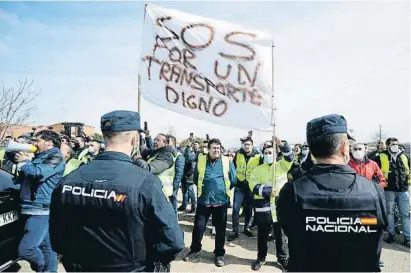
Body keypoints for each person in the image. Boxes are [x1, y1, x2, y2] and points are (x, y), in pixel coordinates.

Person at [49, 110, 184, 272]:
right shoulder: (145, 182)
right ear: (134, 139)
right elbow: (173, 241)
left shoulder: (69, 180)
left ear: (105, 137)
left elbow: (57, 238)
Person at [277, 114, 387, 272]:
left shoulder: (292, 191)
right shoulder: (374, 191)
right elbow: (380, 228)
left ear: (312, 150)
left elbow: (287, 227)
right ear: (344, 147)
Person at [14, 130, 65, 272]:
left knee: (26, 249)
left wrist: (25, 162)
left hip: (40, 208)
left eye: (38, 140)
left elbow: (38, 174)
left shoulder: (56, 156)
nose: (34, 143)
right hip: (33, 206)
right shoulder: (40, 156)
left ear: (49, 143)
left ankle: (42, 268)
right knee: (47, 247)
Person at [183, 138, 237, 267]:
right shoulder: (201, 160)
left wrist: (222, 190)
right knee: (198, 228)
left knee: (220, 230)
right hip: (204, 200)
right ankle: (195, 249)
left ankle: (219, 254)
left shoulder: (226, 161)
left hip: (221, 201)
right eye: (214, 148)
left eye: (218, 148)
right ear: (209, 149)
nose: (216, 150)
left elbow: (233, 179)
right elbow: (196, 178)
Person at [248, 137, 294, 271]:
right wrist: (268, 191)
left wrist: (281, 145)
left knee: (280, 237)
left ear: (275, 154)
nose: (268, 155)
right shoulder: (257, 170)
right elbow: (253, 185)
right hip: (264, 209)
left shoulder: (282, 165)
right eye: (266, 153)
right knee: (262, 236)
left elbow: (290, 157)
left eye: (271, 153)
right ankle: (261, 258)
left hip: (279, 209)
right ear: (263, 154)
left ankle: (282, 258)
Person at [374, 137, 410, 247]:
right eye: (393, 144)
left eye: (397, 144)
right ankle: (391, 234)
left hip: (403, 190)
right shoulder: (381, 157)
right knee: (389, 213)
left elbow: (408, 171)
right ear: (388, 145)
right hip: (389, 190)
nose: (395, 145)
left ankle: (408, 238)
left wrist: (408, 183)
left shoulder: (404, 156)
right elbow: (376, 172)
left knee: (405, 214)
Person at [228, 137, 260, 241]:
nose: (246, 146)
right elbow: (233, 167)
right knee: (236, 209)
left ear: (252, 145)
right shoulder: (238, 154)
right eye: (245, 144)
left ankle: (247, 228)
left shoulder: (258, 156)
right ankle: (235, 230)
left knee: (249, 209)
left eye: (248, 144)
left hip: (251, 187)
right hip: (240, 186)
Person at [134, 134, 178, 205]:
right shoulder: (156, 153)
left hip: (162, 194)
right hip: (154, 191)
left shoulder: (166, 156)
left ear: (165, 143)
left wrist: (138, 159)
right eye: (154, 140)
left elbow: (149, 169)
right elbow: (145, 149)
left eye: (158, 140)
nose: (155, 142)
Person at [179, 140, 200, 213]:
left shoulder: (196, 154)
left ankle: (193, 206)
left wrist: (188, 174)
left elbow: (193, 165)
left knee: (191, 191)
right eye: (194, 144)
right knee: (184, 191)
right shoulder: (189, 152)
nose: (194, 145)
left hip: (189, 175)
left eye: (196, 144)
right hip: (184, 174)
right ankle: (184, 205)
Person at [168, 135, 185, 215]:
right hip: (164, 185)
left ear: (173, 143)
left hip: (172, 185)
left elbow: (179, 173)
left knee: (172, 204)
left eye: (168, 141)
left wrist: (175, 186)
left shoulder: (179, 155)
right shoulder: (165, 153)